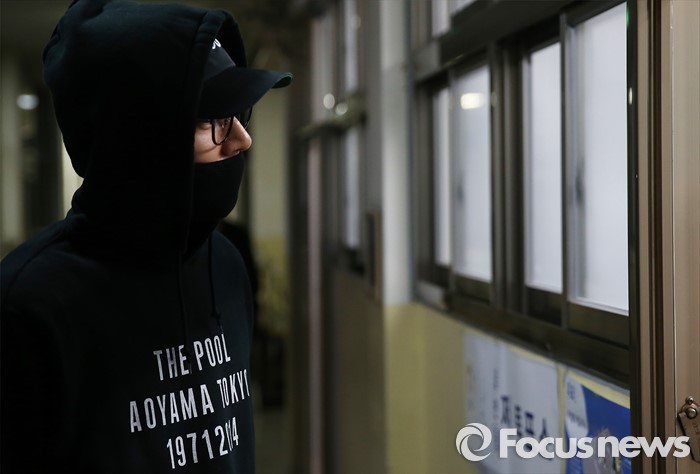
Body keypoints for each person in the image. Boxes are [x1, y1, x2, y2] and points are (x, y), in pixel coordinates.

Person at [0, 0, 291, 471]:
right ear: (142, 138)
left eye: (241, 114)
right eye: (214, 121)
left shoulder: (226, 264)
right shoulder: (29, 307)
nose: (242, 140)